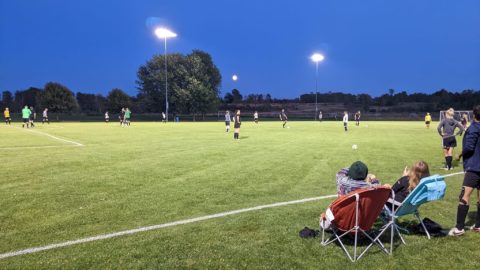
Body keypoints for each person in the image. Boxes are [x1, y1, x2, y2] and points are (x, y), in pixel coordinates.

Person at [449, 105, 480, 236]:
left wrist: (459, 155)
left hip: (474, 167)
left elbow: (469, 147)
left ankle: (459, 228)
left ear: (474, 114)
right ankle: (478, 225)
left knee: (464, 196)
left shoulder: (474, 128)